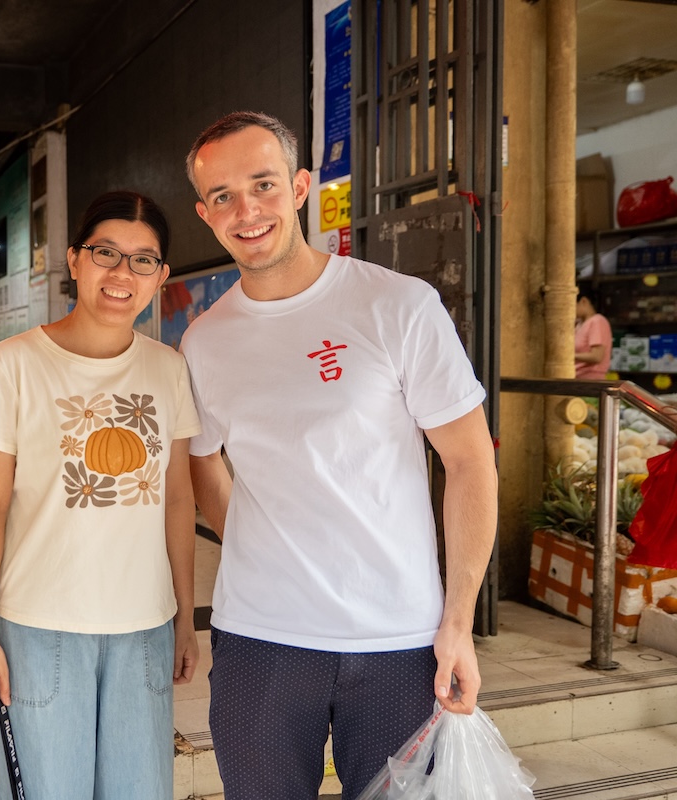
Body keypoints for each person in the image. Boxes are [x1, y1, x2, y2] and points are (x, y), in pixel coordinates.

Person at [180, 111, 498, 798]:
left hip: (396, 636)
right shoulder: (205, 341)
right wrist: (254, 537)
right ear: (205, 214)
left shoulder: (398, 305)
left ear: (298, 188)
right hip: (259, 637)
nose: (247, 210)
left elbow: (470, 461)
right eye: (224, 197)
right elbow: (201, 457)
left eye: (262, 184)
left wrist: (458, 621)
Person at [0, 191, 201, 800]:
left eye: (144, 260)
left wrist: (187, 620)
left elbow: (177, 503)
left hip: (144, 627)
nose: (123, 273)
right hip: (40, 628)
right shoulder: (8, 366)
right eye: (107, 253)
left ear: (161, 276)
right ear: (74, 259)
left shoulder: (168, 369)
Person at [575, 286, 612, 379]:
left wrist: (569, 356)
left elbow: (597, 356)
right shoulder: (579, 323)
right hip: (576, 378)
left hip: (590, 379)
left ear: (583, 301)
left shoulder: (597, 321)